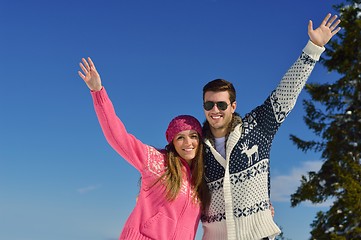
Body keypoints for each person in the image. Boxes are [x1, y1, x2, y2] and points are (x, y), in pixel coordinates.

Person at [200, 13, 341, 240]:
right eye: (209, 104)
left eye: (221, 104)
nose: (215, 110)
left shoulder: (257, 128)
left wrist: (313, 47)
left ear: (233, 105)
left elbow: (286, 94)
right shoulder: (196, 144)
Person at [77, 57, 210, 240]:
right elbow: (117, 137)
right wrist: (98, 91)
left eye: (193, 136)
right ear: (172, 142)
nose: (188, 142)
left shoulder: (201, 180)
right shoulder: (156, 161)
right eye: (180, 137)